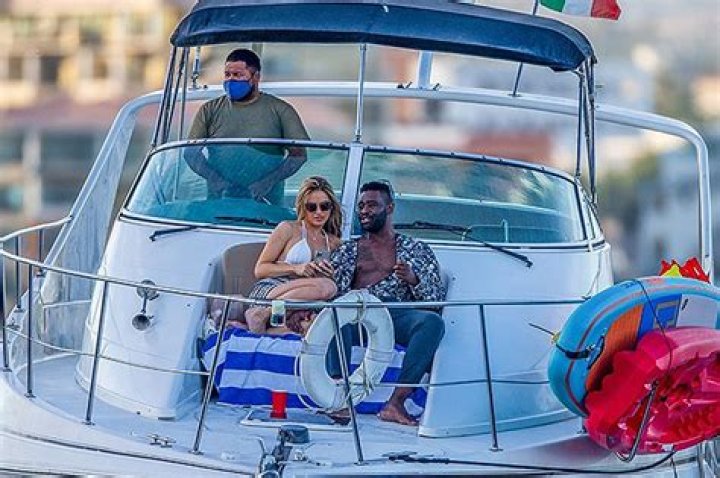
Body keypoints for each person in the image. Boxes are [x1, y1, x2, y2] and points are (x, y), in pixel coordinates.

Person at [331, 180, 446, 426]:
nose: (364, 211)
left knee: (432, 322)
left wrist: (414, 280)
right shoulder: (348, 250)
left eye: (372, 205)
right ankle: (340, 398)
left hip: (395, 314)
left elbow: (436, 300)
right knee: (334, 315)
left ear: (390, 208)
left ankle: (396, 403)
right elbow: (333, 290)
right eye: (361, 206)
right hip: (358, 314)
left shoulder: (416, 249)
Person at [186, 48, 309, 203]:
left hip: (267, 205)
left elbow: (299, 155)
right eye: (227, 74)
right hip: (219, 203)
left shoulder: (281, 110)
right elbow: (190, 153)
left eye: (238, 75)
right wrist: (216, 180)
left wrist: (267, 182)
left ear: (255, 77)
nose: (231, 80)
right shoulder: (209, 110)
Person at [243, 176, 342, 334]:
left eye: (324, 206)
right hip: (273, 291)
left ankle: (249, 328)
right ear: (302, 207)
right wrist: (296, 268)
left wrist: (328, 274)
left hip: (306, 299)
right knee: (328, 287)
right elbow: (260, 269)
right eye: (312, 207)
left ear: (332, 208)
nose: (319, 212)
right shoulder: (288, 228)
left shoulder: (334, 242)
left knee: (310, 326)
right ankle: (263, 314)